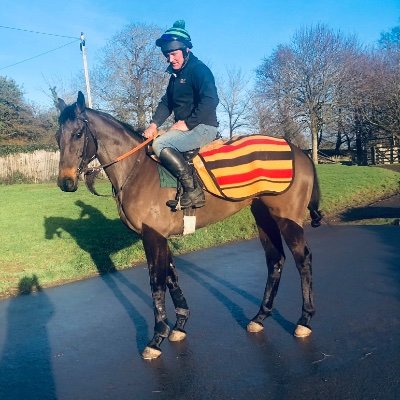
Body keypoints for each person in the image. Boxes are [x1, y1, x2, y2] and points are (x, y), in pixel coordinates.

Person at [143, 20, 219, 209]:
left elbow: (211, 100)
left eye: (174, 54)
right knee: (152, 142)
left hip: (203, 127)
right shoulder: (175, 77)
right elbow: (166, 102)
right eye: (167, 55)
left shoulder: (199, 70)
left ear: (186, 51)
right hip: (189, 128)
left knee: (161, 143)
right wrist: (153, 124)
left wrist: (187, 123)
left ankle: (193, 190)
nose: (171, 59)